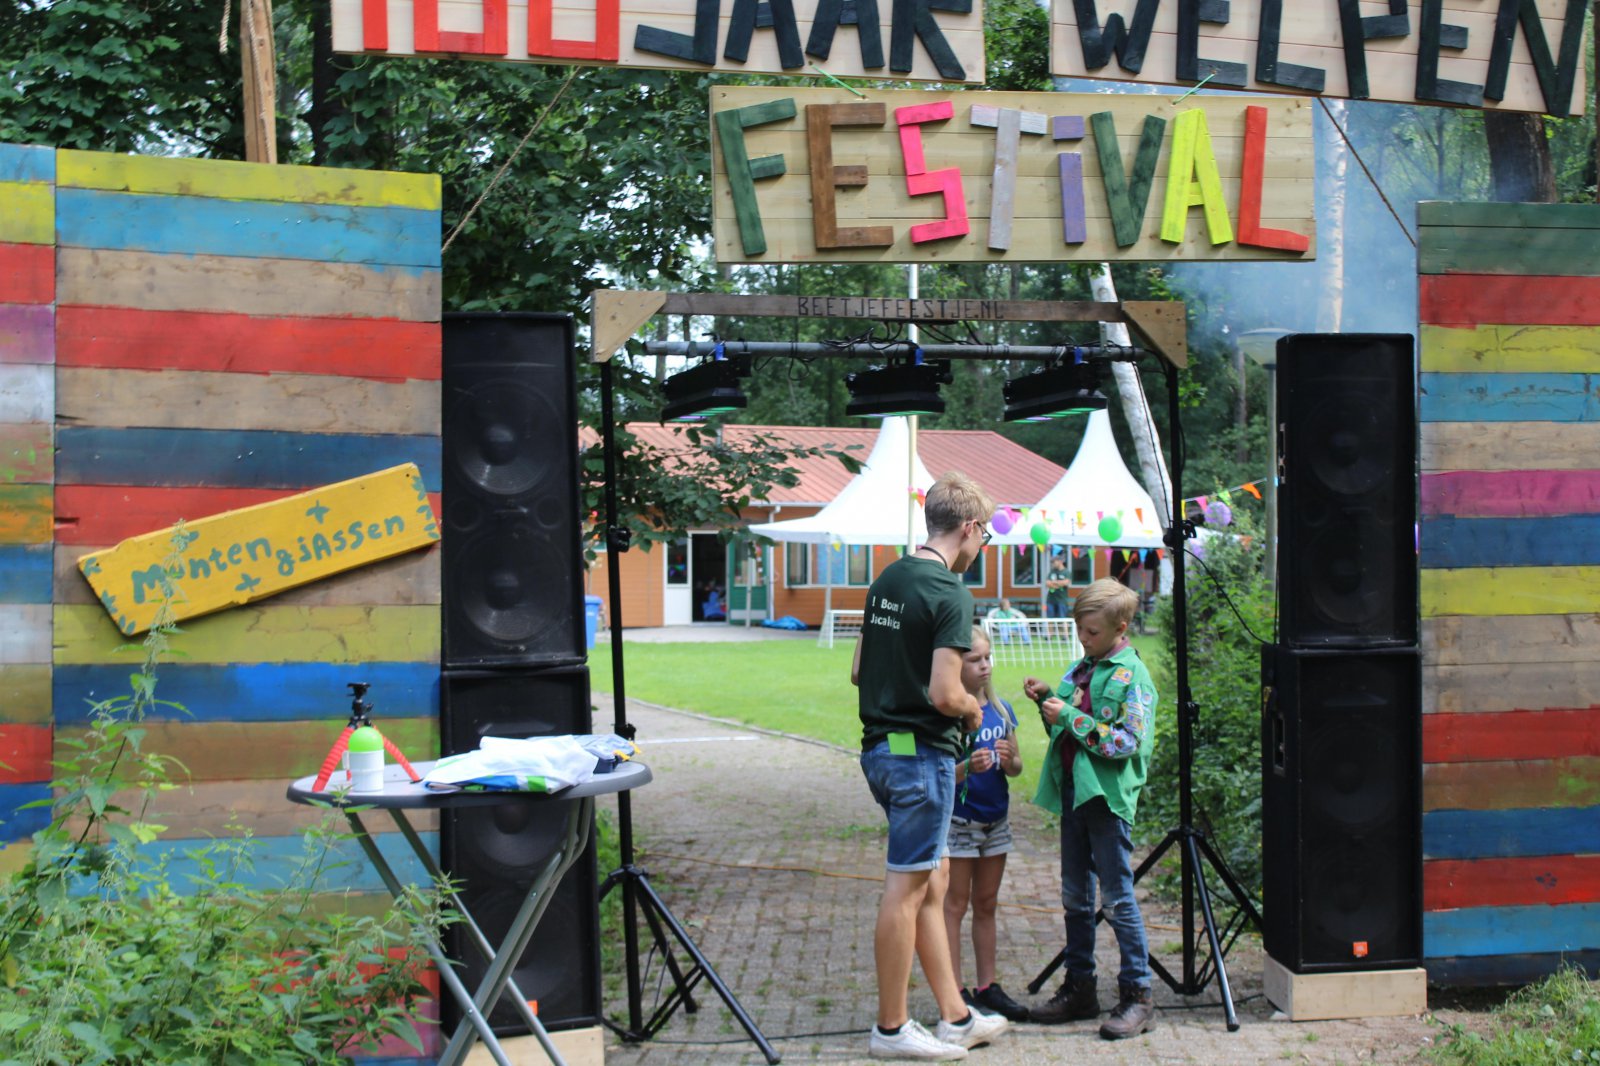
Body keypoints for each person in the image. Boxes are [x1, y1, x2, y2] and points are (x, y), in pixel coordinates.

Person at [852, 471, 1011, 1060]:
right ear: (969, 527)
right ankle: (891, 1029)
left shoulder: (888, 578)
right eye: (985, 536)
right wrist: (973, 711)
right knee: (907, 889)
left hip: (882, 752)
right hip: (921, 759)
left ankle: (957, 1016)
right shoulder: (950, 592)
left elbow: (858, 670)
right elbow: (947, 694)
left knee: (932, 880)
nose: (981, 547)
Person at [1023, 578, 1159, 1040]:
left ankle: (1138, 995)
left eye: (1092, 632)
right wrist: (1047, 700)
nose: (1083, 638)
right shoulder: (1083, 667)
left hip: (1106, 801)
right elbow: (1064, 731)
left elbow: (1125, 742)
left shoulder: (1132, 677)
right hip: (1073, 795)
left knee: (1117, 899)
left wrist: (1068, 716)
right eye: (1080, 629)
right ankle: (1080, 988)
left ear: (1121, 628)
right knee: (1074, 898)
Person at [943, 626, 1028, 1023]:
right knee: (955, 905)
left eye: (987, 658)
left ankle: (987, 986)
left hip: (996, 821)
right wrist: (967, 767)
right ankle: (955, 990)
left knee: (987, 903)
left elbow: (1017, 767)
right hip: (961, 822)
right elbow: (938, 775)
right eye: (974, 659)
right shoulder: (947, 717)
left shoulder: (1001, 710)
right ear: (955, 665)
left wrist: (1010, 761)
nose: (984, 666)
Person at [1044, 555, 1072, 619]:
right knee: (1049, 619)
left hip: (1062, 600)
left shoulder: (1066, 572)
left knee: (1062, 619)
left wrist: (1054, 582)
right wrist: (1059, 583)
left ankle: (1063, 627)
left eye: (1054, 562)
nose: (1052, 564)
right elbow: (1047, 583)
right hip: (1050, 600)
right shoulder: (1052, 572)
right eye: (1052, 562)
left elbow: (1066, 582)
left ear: (1060, 561)